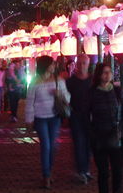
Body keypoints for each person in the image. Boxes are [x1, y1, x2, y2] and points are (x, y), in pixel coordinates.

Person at [25, 56, 70, 189]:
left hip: (54, 117)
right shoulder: (34, 82)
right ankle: (46, 175)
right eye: (52, 64)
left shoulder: (59, 80)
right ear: (46, 65)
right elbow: (29, 103)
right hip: (40, 118)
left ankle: (49, 171)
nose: (54, 66)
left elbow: (68, 97)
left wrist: (59, 94)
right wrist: (29, 120)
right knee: (46, 145)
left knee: (54, 145)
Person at [89, 63, 123, 193]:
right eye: (105, 72)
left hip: (115, 134)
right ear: (99, 75)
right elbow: (86, 115)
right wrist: (91, 135)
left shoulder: (116, 91)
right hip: (99, 135)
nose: (108, 74)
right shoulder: (92, 92)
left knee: (118, 170)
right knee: (103, 171)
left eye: (109, 71)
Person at [66, 54, 92, 183]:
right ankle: (81, 170)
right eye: (80, 63)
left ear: (88, 64)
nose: (82, 66)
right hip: (76, 115)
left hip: (90, 116)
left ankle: (86, 168)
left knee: (88, 143)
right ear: (76, 65)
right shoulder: (70, 82)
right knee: (78, 142)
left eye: (84, 63)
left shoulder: (92, 80)